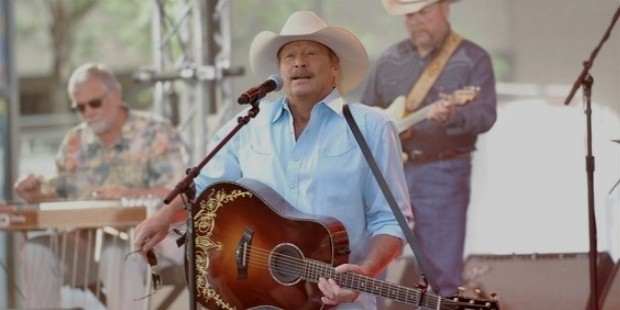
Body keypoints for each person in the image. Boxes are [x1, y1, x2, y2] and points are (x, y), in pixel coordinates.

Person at [133, 10, 412, 309]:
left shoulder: (371, 127)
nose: (299, 62)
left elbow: (393, 221)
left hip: (338, 301)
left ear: (335, 66)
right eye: (289, 55)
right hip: (257, 297)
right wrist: (163, 218)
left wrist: (365, 271)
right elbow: (202, 184)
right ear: (279, 72)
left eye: (311, 53)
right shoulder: (250, 122)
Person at [13, 63, 187, 309]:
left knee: (115, 250)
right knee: (35, 250)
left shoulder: (155, 131)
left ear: (115, 94)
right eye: (79, 107)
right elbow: (57, 194)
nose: (88, 112)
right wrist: (35, 194)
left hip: (147, 245)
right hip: (84, 248)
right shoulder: (75, 140)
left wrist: (129, 195)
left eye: (94, 103)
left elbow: (179, 191)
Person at [360, 0, 497, 297]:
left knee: (441, 276)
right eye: (410, 14)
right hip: (389, 173)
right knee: (369, 268)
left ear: (445, 8)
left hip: (444, 171)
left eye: (424, 11)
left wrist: (453, 114)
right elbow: (365, 116)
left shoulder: (473, 58)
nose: (416, 20)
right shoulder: (389, 59)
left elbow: (486, 115)